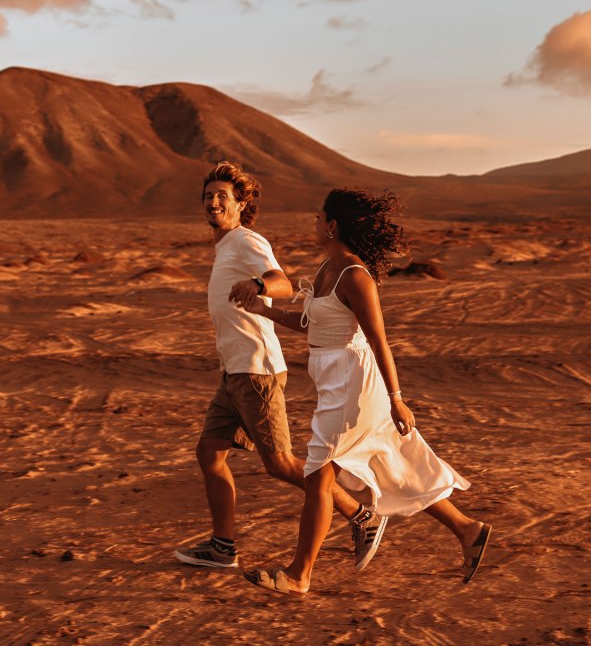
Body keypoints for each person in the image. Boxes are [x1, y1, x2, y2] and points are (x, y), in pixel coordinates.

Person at [240, 188, 492, 596]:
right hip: (334, 383)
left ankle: (299, 573)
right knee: (395, 465)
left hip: (354, 385)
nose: (314, 222)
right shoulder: (326, 270)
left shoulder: (355, 276)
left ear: (334, 225)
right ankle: (468, 530)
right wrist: (263, 310)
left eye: (319, 217)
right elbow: (312, 326)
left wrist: (396, 398)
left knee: (318, 477)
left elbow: (379, 340)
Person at [174, 163, 388, 571]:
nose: (213, 201)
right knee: (210, 452)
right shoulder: (226, 247)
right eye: (208, 196)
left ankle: (363, 516)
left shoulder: (246, 241)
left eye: (223, 196)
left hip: (257, 372)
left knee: (281, 463)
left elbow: (282, 283)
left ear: (241, 206)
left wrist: (258, 287)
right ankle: (223, 547)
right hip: (235, 372)